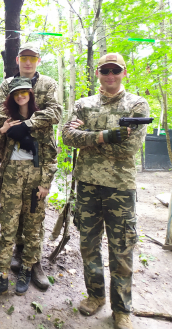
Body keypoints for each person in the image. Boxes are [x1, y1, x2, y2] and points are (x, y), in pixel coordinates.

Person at [62, 53, 149, 329]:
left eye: (115, 70)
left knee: (121, 249)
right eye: (105, 70)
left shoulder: (136, 104)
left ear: (124, 72)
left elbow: (130, 149)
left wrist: (87, 136)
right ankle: (95, 295)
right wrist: (104, 135)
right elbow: (66, 137)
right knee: (88, 246)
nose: (110, 75)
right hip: (87, 186)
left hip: (120, 188)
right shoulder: (84, 104)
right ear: (97, 73)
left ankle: (122, 309)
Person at [0, 42, 61, 291]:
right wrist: (16, 131)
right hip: (12, 157)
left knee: (35, 215)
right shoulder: (7, 83)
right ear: (18, 60)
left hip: (39, 157)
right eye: (24, 58)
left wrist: (28, 125)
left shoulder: (48, 84)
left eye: (32, 58)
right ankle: (16, 258)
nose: (28, 62)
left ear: (38, 60)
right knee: (12, 215)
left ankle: (34, 263)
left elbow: (55, 112)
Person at [0, 78, 57, 301]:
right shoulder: (8, 120)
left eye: (25, 92)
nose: (21, 96)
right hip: (12, 178)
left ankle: (25, 270)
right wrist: (4, 130)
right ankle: (2, 277)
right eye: (17, 93)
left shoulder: (41, 122)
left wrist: (45, 183)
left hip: (35, 180)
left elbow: (51, 155)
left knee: (33, 228)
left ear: (31, 94)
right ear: (12, 96)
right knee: (8, 228)